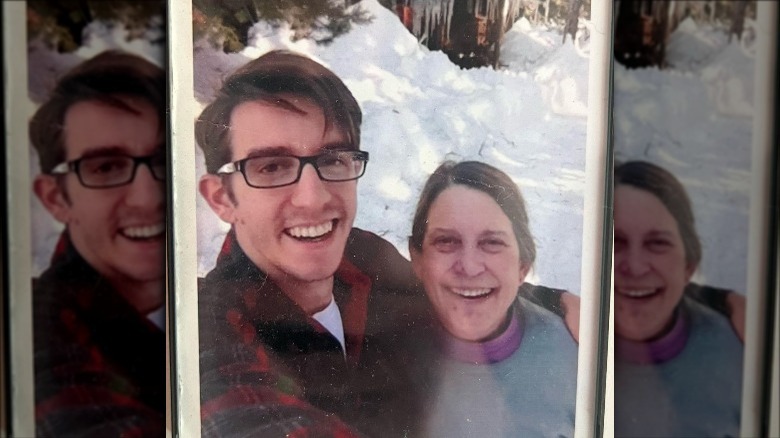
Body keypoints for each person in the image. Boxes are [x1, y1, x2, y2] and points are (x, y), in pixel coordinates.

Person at [29, 50, 166, 436]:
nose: (147, 198)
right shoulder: (38, 336)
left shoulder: (218, 300)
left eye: (162, 161)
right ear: (56, 198)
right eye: (106, 167)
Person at [408, 161, 578, 437]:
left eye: (492, 243)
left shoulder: (574, 351)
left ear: (523, 264)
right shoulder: (383, 347)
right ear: (417, 258)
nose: (470, 266)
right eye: (447, 241)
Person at [613, 160, 743, 437]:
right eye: (616, 241)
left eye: (657, 243)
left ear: (689, 265)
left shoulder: (738, 349)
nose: (634, 267)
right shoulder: (567, 346)